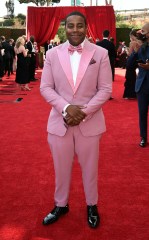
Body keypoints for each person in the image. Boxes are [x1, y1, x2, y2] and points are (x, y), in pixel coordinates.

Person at [40, 11, 112, 228]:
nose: (75, 30)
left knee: (90, 168)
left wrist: (83, 112)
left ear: (86, 27)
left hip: (89, 122)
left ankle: (92, 204)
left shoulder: (100, 53)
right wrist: (66, 109)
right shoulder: (52, 54)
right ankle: (61, 204)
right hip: (59, 123)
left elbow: (106, 88)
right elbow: (45, 87)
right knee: (61, 168)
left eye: (80, 26)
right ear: (65, 28)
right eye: (70, 26)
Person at [135, 22, 149, 147]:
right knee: (142, 113)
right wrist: (135, 50)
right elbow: (129, 64)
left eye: (143, 32)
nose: (141, 34)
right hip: (142, 86)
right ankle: (143, 137)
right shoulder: (141, 47)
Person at [123, 29, 143, 99]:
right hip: (139, 61)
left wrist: (126, 50)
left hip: (131, 62)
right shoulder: (141, 42)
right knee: (135, 77)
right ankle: (135, 92)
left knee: (130, 77)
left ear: (132, 36)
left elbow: (130, 54)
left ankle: (129, 94)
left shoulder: (132, 43)